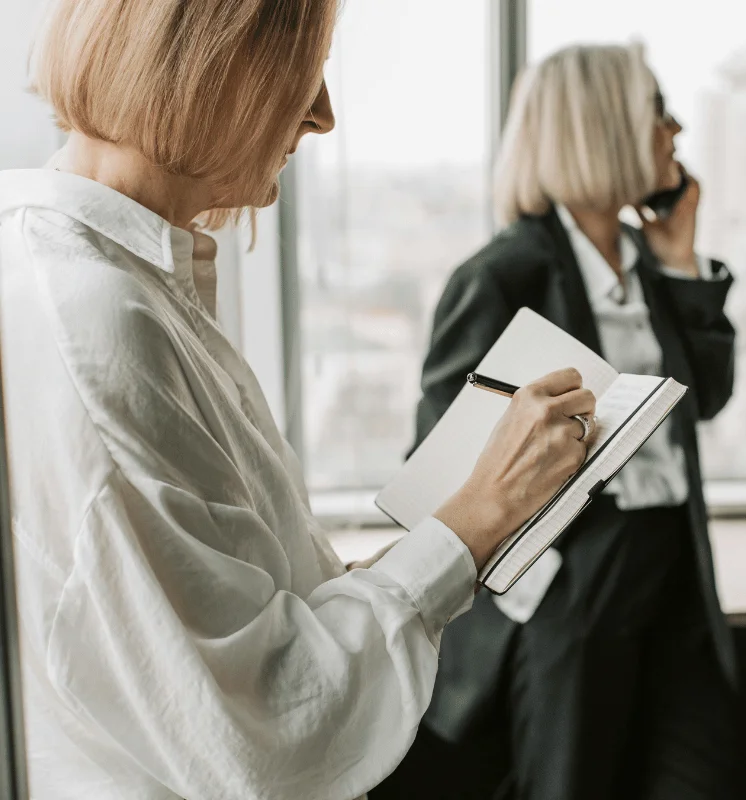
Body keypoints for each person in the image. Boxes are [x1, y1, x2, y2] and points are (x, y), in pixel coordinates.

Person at [0, 1, 598, 797]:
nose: (322, 114)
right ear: (205, 66)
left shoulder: (111, 285)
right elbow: (262, 728)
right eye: (300, 69)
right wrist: (478, 516)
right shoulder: (97, 318)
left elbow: (234, 611)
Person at [388, 42, 737, 800]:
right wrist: (540, 592)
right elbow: (440, 466)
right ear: (602, 125)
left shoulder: (649, 263)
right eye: (656, 109)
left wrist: (681, 263)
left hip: (674, 569)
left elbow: (703, 399)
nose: (675, 130)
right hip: (577, 580)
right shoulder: (504, 274)